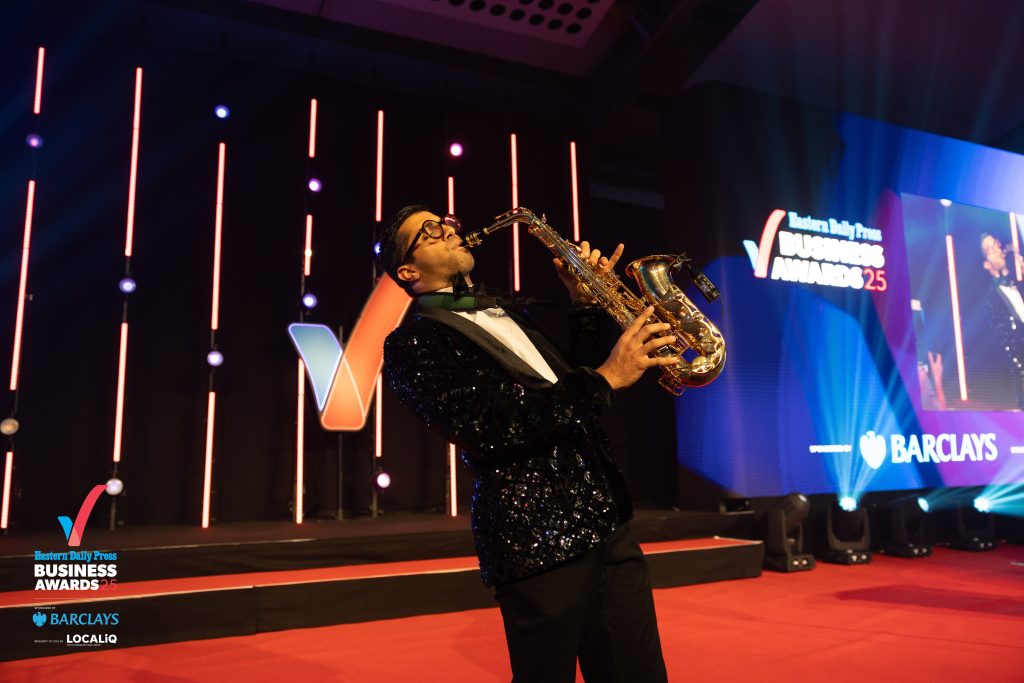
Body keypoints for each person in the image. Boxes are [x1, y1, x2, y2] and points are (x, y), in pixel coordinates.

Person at [379, 204, 672, 683]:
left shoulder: (507, 310)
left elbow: (569, 389)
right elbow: (492, 427)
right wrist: (603, 381)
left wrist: (584, 306)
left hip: (607, 520)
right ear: (408, 270)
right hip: (535, 538)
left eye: (446, 222)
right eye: (429, 232)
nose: (449, 230)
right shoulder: (413, 344)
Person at [980, 233, 1024, 409]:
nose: (997, 249)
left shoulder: (1019, 285)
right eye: (990, 249)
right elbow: (1006, 344)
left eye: (996, 244)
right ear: (986, 264)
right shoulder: (991, 299)